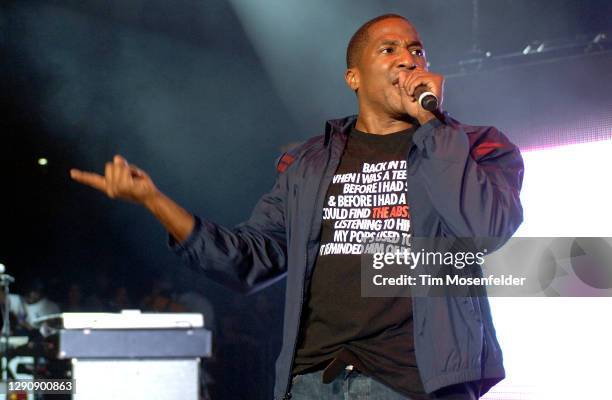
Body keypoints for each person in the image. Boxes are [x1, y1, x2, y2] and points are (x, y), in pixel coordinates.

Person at [70, 14, 523, 400]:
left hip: (416, 382)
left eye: (417, 50)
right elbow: (248, 260)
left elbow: (483, 228)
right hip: (313, 380)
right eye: (389, 49)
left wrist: (434, 123)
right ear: (354, 77)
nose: (409, 58)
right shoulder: (307, 164)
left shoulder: (475, 146)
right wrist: (154, 200)